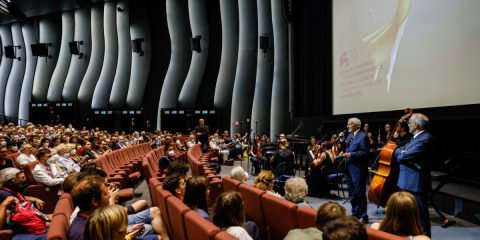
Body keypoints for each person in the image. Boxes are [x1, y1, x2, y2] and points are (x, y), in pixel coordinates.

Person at [393, 113, 434, 237]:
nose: (408, 125)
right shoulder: (415, 137)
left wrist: (402, 154)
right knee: (407, 218)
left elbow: (402, 156)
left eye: (410, 123)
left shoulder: (426, 138)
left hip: (415, 184)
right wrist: (402, 153)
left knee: (420, 219)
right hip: (405, 182)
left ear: (416, 125)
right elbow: (397, 151)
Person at [341, 117, 370, 223]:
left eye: (349, 124)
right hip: (348, 167)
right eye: (348, 124)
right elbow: (345, 148)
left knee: (359, 192)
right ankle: (355, 212)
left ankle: (364, 215)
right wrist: (341, 141)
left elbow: (365, 153)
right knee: (351, 192)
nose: (347, 126)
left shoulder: (363, 136)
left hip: (358, 169)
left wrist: (351, 154)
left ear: (356, 125)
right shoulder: (349, 135)